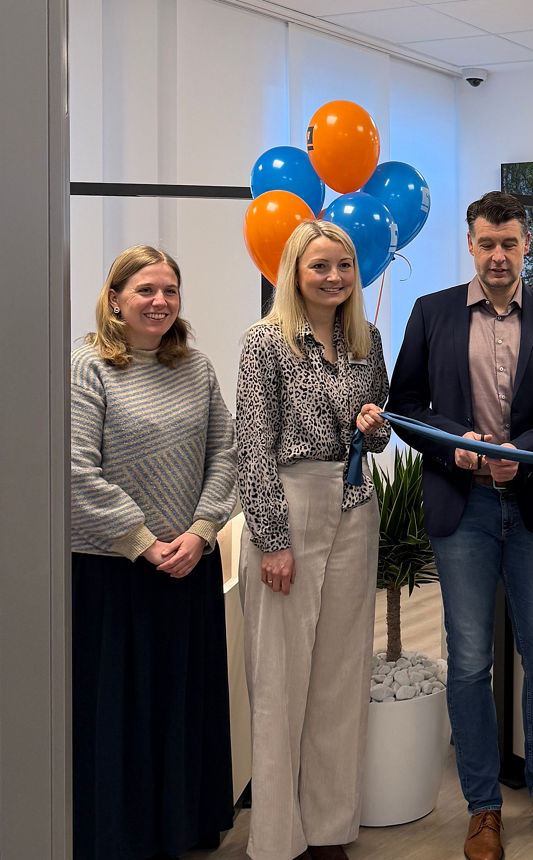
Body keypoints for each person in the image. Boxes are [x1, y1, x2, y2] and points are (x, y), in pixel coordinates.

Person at [386, 191, 533, 860]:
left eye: (509, 243)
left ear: (527, 244)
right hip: (460, 508)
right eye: (486, 243)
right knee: (469, 662)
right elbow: (406, 406)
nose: (497, 255)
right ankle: (483, 808)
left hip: (529, 508)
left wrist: (519, 459)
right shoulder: (432, 311)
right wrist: (456, 445)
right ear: (469, 245)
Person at [70, 246, 237, 860]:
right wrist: (144, 542)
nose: (160, 302)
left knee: (182, 705)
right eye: (145, 290)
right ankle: (124, 837)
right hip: (113, 572)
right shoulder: (86, 366)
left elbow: (228, 451)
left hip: (188, 567)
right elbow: (76, 471)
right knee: (119, 713)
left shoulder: (195, 368)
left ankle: (184, 826)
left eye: (170, 290)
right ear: (115, 298)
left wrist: (200, 532)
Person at [236, 220, 390, 860]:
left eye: (344, 266)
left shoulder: (366, 339)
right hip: (289, 506)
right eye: (319, 267)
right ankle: (278, 839)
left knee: (339, 675)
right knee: (280, 677)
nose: (333, 277)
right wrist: (271, 539)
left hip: (354, 504)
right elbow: (252, 445)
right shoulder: (265, 342)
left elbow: (380, 436)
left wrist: (374, 425)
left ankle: (328, 829)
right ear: (293, 272)